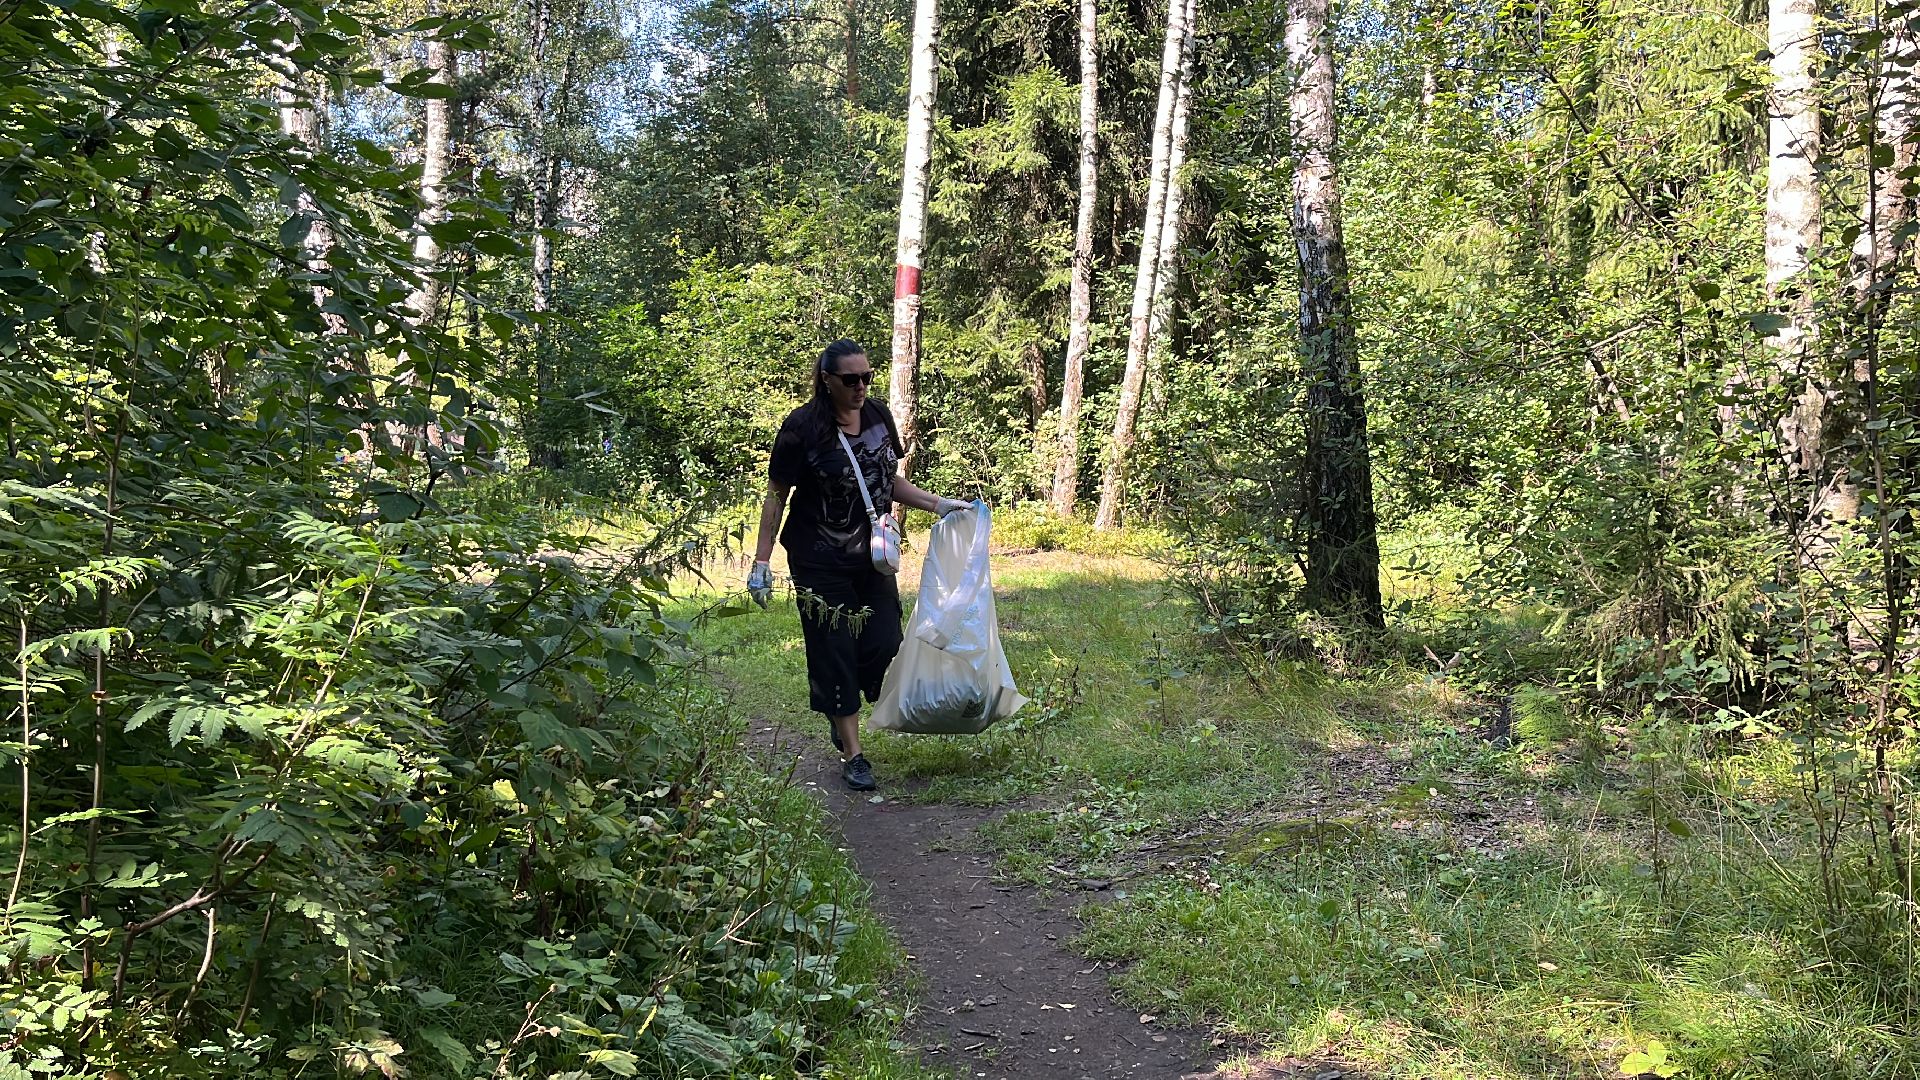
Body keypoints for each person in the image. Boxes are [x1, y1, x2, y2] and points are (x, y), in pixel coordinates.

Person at [748, 339, 971, 791]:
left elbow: (888, 480)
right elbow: (777, 494)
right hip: (817, 557)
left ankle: (843, 706)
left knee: (885, 639)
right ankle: (853, 752)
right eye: (851, 380)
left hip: (871, 555)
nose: (861, 387)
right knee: (834, 651)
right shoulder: (802, 428)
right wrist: (761, 559)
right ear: (827, 380)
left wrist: (937, 503)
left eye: (867, 377)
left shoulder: (878, 417)